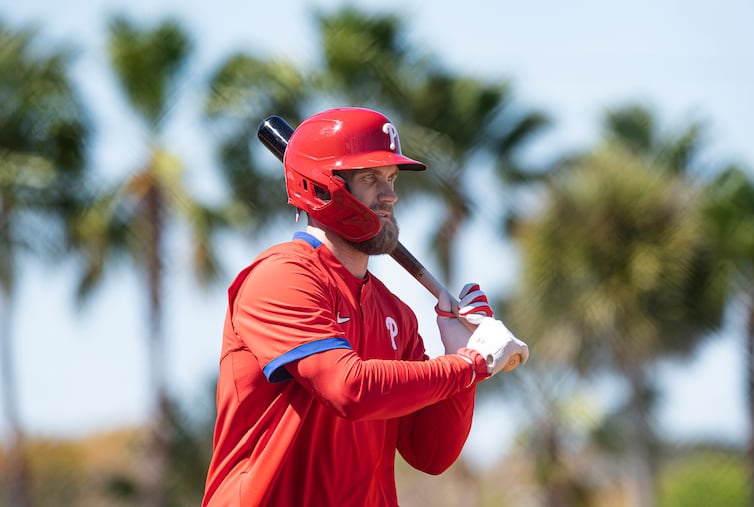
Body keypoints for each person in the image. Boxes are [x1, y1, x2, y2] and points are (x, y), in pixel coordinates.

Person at [201, 107, 529, 506]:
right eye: (370, 178)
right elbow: (349, 389)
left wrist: (458, 356)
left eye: (391, 179)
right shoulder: (283, 277)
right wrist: (471, 364)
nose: (389, 194)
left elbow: (430, 454)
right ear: (322, 186)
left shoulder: (394, 312)